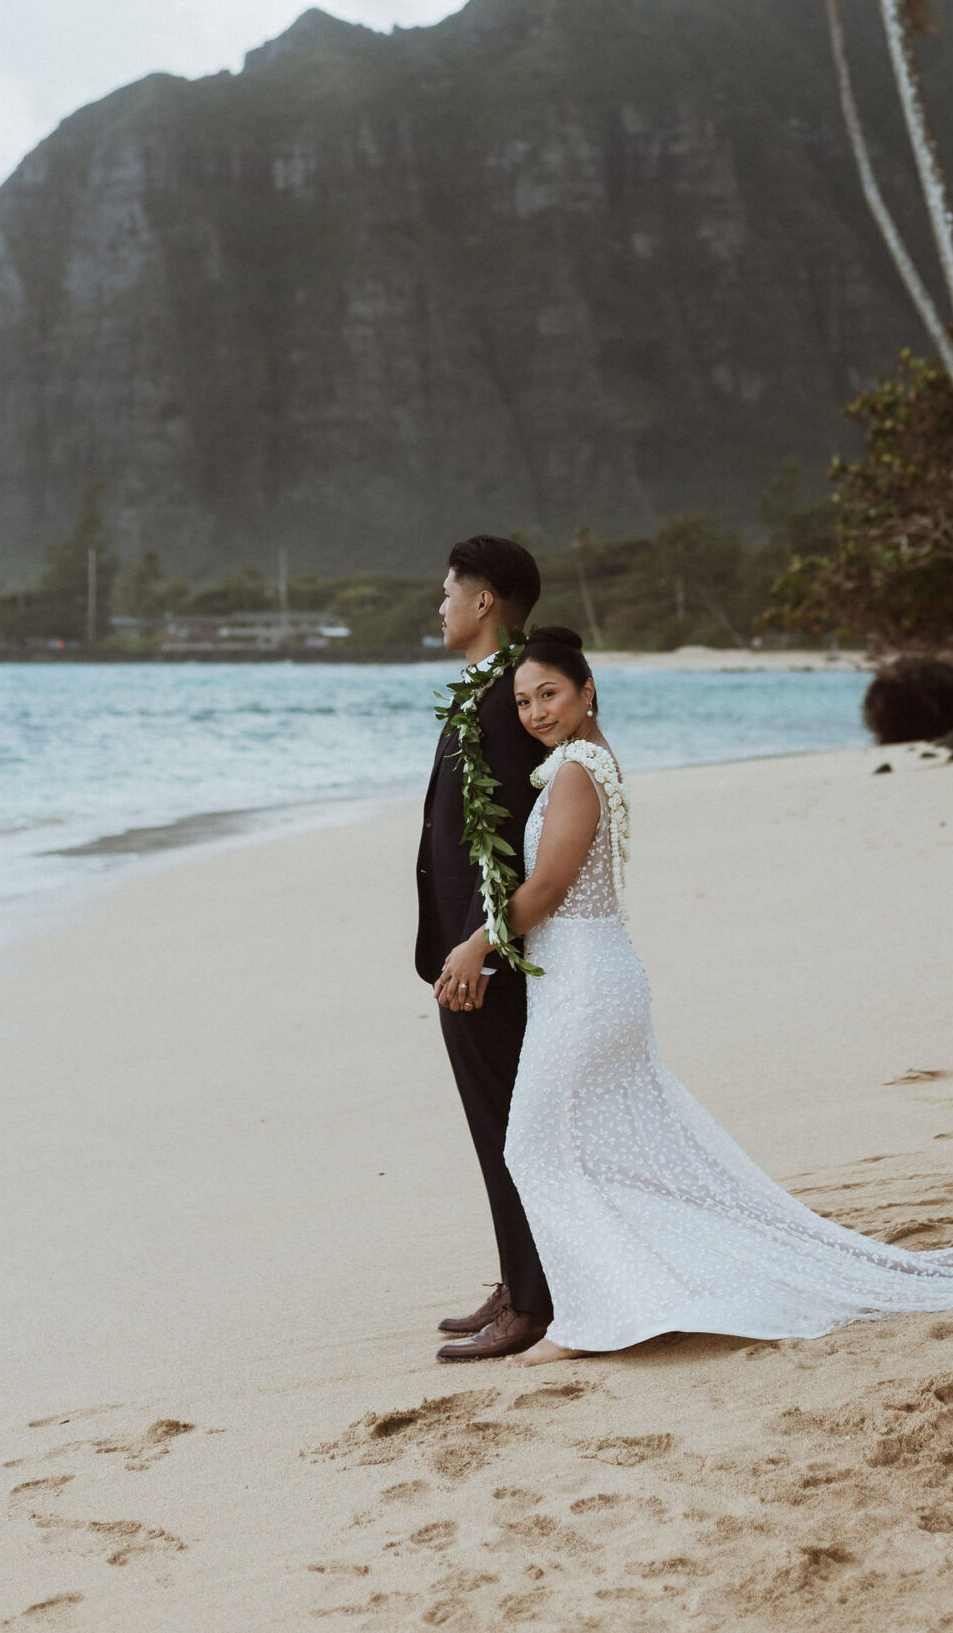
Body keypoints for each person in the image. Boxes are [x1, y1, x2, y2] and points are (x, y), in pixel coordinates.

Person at [481, 627, 953, 1367]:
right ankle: (628, 1299)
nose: (536, 711)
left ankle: (584, 1321)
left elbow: (544, 890)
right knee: (603, 1151)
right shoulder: (585, 762)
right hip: (587, 975)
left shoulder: (575, 771)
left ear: (587, 691)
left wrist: (474, 944)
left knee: (537, 1146)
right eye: (522, 702)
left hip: (583, 980)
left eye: (549, 694)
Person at [414, 535, 554, 1363]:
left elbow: (510, 841)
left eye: (446, 592)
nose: (437, 606)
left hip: (485, 961)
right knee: (496, 1124)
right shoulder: (490, 692)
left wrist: (480, 951)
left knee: (510, 1126)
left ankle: (534, 1302)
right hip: (464, 952)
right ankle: (518, 1274)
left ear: (482, 603)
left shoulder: (509, 700)